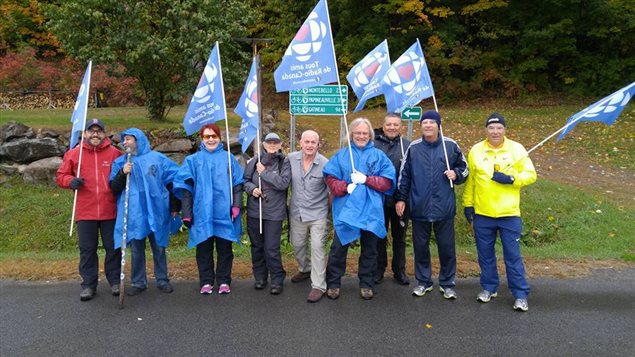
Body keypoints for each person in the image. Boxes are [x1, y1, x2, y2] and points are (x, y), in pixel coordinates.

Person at [463, 112, 537, 312]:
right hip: (483, 213)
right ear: (486, 130)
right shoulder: (476, 150)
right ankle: (489, 288)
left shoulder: (517, 149)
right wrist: (468, 204)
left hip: (509, 214)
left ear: (505, 130)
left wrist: (512, 179)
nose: (495, 131)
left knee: (512, 256)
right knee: (485, 256)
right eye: (491, 128)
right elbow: (472, 180)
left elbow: (531, 175)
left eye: (499, 128)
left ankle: (520, 294)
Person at [395, 110, 468, 300]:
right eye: (424, 122)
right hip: (419, 206)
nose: (428, 125)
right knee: (420, 247)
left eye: (432, 122)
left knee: (446, 247)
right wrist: (401, 198)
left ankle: (447, 283)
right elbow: (405, 176)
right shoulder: (414, 147)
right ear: (421, 126)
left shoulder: (450, 146)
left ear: (438, 125)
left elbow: (464, 169)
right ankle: (423, 282)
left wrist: (456, 175)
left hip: (444, 207)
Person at [323, 118, 395, 300]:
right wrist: (346, 187)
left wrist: (367, 180)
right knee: (339, 248)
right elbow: (330, 179)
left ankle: (366, 283)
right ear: (352, 134)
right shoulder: (341, 155)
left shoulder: (379, 156)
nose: (361, 136)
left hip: (371, 210)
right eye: (358, 133)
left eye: (365, 133)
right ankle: (333, 283)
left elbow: (387, 182)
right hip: (347, 209)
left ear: (370, 135)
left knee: (370, 249)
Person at [56, 118, 123, 301]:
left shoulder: (115, 154)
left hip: (110, 209)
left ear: (104, 133)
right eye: (91, 131)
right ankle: (88, 285)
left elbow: (122, 177)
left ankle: (115, 281)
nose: (95, 134)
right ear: (84, 133)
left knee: (113, 248)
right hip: (85, 210)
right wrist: (71, 181)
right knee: (87, 249)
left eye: (98, 131)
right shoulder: (73, 154)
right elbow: (61, 176)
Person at [174, 124, 244, 295]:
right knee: (203, 249)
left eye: (214, 136)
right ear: (202, 139)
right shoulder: (193, 161)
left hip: (223, 212)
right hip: (201, 212)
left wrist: (236, 205)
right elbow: (186, 188)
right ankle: (206, 281)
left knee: (224, 249)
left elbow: (237, 184)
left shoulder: (228, 158)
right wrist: (187, 213)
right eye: (207, 137)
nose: (211, 139)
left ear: (220, 138)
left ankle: (224, 281)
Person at [109, 128, 180, 296]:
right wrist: (122, 173)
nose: (124, 142)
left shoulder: (157, 159)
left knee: (159, 247)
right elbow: (113, 188)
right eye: (123, 140)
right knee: (136, 249)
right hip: (134, 214)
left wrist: (175, 206)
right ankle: (138, 282)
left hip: (157, 210)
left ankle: (162, 280)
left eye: (128, 139)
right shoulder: (120, 163)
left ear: (138, 140)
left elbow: (173, 181)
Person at [243, 132, 291, 295]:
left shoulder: (284, 162)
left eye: (275, 142)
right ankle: (260, 277)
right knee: (257, 246)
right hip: (255, 211)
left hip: (274, 213)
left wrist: (264, 173)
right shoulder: (254, 160)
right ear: (263, 144)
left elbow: (283, 183)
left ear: (279, 145)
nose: (272, 145)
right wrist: (252, 189)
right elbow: (245, 181)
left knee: (271, 248)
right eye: (269, 142)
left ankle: (277, 279)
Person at [287, 130, 330, 303]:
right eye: (307, 142)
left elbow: (332, 190)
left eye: (314, 142)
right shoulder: (290, 159)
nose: (310, 145)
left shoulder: (325, 164)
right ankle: (305, 269)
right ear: (301, 143)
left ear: (318, 144)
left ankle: (318, 285)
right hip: (297, 212)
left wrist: (328, 209)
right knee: (297, 245)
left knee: (317, 247)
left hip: (318, 213)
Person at [373, 113, 411, 285]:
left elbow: (410, 175)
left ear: (401, 127)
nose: (392, 127)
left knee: (399, 237)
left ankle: (399, 270)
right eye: (389, 124)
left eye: (396, 124)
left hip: (400, 201)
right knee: (379, 236)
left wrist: (402, 198)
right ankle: (378, 269)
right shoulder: (373, 145)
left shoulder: (408, 146)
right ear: (383, 125)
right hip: (378, 200)